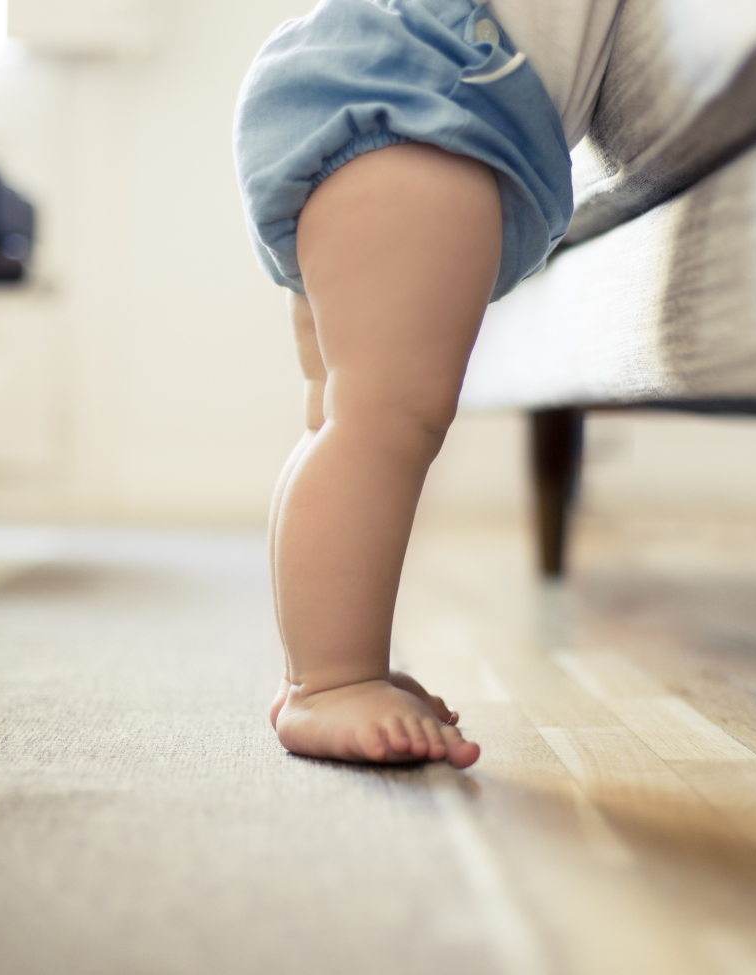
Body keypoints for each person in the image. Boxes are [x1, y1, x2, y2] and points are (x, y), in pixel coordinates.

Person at [234, 0, 622, 767]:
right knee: (380, 423)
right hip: (428, 88)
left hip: (361, 74)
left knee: (342, 423)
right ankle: (333, 682)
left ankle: (315, 669)